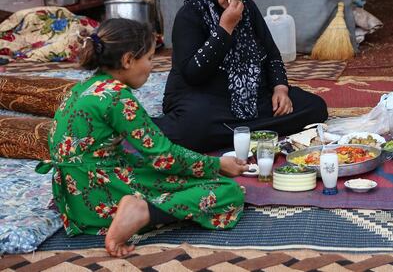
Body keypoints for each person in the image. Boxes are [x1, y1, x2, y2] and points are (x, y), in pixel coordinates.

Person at [36, 19, 247, 258]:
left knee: (172, 174)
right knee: (228, 192)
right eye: (148, 58)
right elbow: (163, 156)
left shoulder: (83, 87)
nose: (151, 66)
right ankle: (142, 212)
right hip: (98, 198)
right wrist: (216, 164)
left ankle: (137, 207)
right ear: (127, 60)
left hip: (73, 200)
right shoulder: (116, 97)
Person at [154, 0, 328, 152]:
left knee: (315, 107)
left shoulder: (249, 9)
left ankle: (236, 133)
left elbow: (271, 54)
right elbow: (192, 75)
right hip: (204, 97)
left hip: (249, 97)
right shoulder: (190, 15)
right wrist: (225, 29)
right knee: (191, 127)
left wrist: (281, 89)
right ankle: (251, 132)